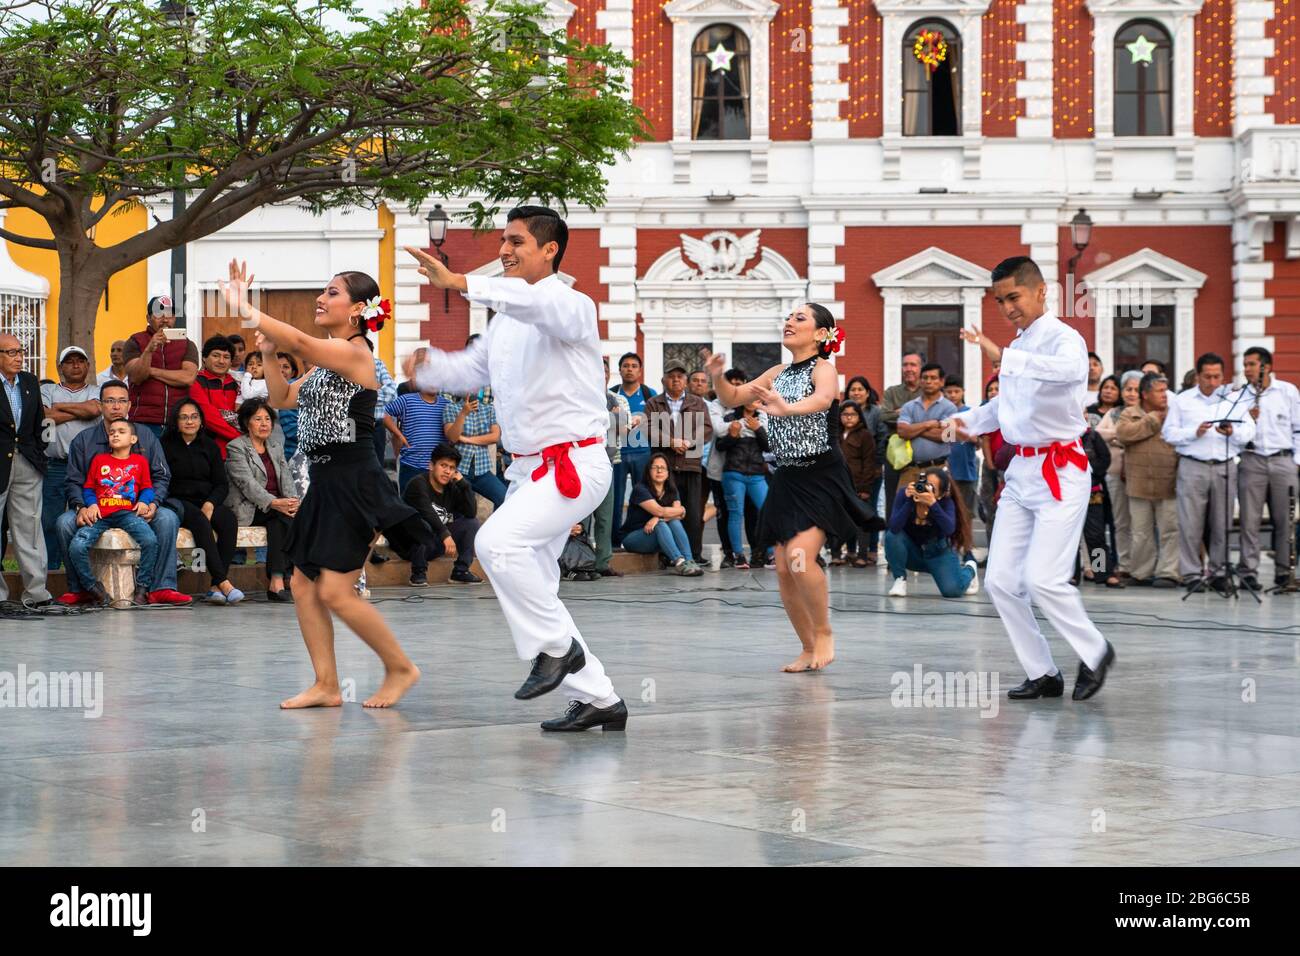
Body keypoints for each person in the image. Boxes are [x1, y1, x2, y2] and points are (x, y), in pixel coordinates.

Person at [405, 205, 627, 732]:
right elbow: (472, 368)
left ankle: (557, 649)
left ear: (550, 250)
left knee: (496, 544)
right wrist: (426, 366)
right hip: (529, 471)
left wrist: (460, 281)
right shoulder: (504, 322)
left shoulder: (573, 306)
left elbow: (536, 305)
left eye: (516, 241)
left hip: (573, 464)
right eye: (503, 240)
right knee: (538, 586)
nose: (503, 250)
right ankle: (600, 697)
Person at [221, 261, 430, 709]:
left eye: (332, 293)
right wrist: (274, 354)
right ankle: (327, 685)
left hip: (353, 477)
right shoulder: (324, 364)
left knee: (334, 589)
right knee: (302, 582)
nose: (321, 297)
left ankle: (400, 667)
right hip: (324, 480)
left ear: (357, 310)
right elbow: (280, 398)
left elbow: (300, 341)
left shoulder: (356, 355)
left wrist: (245, 308)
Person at [951, 256, 1115, 701]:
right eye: (1000, 300)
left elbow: (1068, 374)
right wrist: (964, 422)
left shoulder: (1066, 339)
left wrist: (1006, 357)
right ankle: (1043, 671)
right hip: (1021, 471)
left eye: (1013, 297)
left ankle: (1096, 651)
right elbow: (1006, 409)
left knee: (1044, 578)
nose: (1006, 308)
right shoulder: (1020, 346)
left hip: (1062, 469)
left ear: (1041, 291)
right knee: (1000, 580)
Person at [707, 304, 879, 673]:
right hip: (786, 477)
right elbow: (733, 398)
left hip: (821, 474)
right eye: (788, 317)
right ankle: (806, 647)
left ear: (821, 334)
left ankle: (824, 632)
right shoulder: (777, 372)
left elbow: (821, 399)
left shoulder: (824, 369)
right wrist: (718, 376)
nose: (789, 322)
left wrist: (786, 408)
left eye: (799, 318)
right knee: (784, 568)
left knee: (800, 558)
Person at [55, 379, 191, 606]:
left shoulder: (145, 436)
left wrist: (153, 503)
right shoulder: (84, 440)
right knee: (63, 523)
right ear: (100, 405)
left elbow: (161, 475)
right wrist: (81, 506)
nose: (116, 406)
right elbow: (73, 481)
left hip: (137, 507)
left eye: (121, 401)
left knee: (168, 518)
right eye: (109, 401)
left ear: (129, 405)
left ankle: (161, 587)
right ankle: (81, 589)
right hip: (95, 507)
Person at [1162, 352, 1255, 589]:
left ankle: (1218, 572)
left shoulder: (1233, 400)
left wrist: (1232, 432)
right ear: (1198, 375)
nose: (1212, 382)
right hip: (1193, 465)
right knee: (1190, 523)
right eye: (1207, 377)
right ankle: (1192, 574)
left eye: (1216, 376)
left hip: (1224, 465)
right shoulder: (1183, 400)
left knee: (1222, 523)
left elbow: (1249, 433)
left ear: (1222, 375)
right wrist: (1194, 432)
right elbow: (1168, 434)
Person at [67, 419, 158, 607]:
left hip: (127, 513)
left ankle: (142, 587)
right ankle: (93, 587)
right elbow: (89, 488)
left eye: (121, 431)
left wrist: (143, 501)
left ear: (133, 439)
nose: (115, 434)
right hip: (100, 514)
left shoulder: (140, 461)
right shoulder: (99, 460)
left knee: (150, 540)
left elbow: (148, 488)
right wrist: (91, 505)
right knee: (77, 546)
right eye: (111, 432)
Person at [162, 398, 244, 605]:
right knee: (199, 519)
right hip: (177, 501)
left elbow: (221, 484)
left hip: (205, 500)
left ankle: (215, 586)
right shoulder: (165, 444)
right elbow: (162, 479)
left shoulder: (210, 445)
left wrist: (210, 503)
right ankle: (224, 582)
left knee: (228, 520)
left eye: (194, 417)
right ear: (176, 421)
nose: (190, 422)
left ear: (200, 420)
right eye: (184, 417)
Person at [1236, 346, 1300, 589]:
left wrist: (1296, 461)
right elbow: (1236, 432)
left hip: (1283, 459)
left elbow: (1298, 427)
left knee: (1286, 520)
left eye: (1251, 364)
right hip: (1252, 460)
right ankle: (1248, 572)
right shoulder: (1240, 395)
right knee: (1249, 520)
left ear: (1267, 366)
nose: (1247, 370)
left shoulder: (1287, 391)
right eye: (1245, 365)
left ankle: (1285, 572)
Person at [225, 398, 298, 602]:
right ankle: (287, 578)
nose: (264, 423)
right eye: (258, 419)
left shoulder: (275, 446)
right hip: (249, 507)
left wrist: (292, 502)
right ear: (247, 422)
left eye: (267, 419)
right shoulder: (236, 447)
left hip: (276, 509)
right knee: (282, 515)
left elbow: (287, 478)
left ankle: (276, 581)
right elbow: (247, 484)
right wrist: (276, 503)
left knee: (282, 519)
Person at [0, 333, 52, 606]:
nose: (19, 357)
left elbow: (38, 426)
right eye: (11, 352)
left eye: (20, 351)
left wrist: (36, 458)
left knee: (29, 529)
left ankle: (37, 593)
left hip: (27, 464)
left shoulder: (30, 382)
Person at [643, 363, 713, 563]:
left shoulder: (698, 403)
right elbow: (648, 428)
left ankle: (694, 555)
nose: (675, 380)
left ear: (685, 381)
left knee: (693, 512)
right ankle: (668, 554)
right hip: (663, 469)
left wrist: (688, 442)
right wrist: (670, 442)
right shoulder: (654, 403)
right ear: (663, 380)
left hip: (691, 464)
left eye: (680, 377)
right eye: (671, 376)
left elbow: (706, 429)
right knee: (666, 511)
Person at [40, 346, 101, 571]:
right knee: (50, 520)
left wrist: (60, 408)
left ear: (87, 365)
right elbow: (45, 415)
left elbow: (94, 410)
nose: (75, 365)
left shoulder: (96, 390)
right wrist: (80, 411)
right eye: (69, 361)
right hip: (54, 464)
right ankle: (52, 569)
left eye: (80, 360)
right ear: (60, 367)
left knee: (87, 516)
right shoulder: (47, 390)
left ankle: (81, 568)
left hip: (88, 467)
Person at [1116, 373, 1180, 587]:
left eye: (1165, 391)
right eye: (1159, 391)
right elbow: (1124, 434)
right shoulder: (1129, 413)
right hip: (1138, 483)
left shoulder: (1174, 413)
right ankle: (1141, 572)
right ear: (1145, 394)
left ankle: (1169, 573)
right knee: (1140, 531)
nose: (1164, 396)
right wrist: (1153, 419)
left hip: (1169, 481)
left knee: (1170, 529)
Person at [885, 467, 978, 597]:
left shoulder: (946, 503)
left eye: (931, 488)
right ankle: (900, 580)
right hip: (913, 555)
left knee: (953, 591)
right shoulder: (905, 495)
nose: (925, 490)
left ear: (940, 495)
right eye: (924, 484)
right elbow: (894, 528)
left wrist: (933, 504)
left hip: (938, 555)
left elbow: (949, 529)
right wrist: (910, 501)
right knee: (891, 537)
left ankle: (970, 569)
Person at [402, 442, 482, 586]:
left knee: (472, 522)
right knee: (422, 524)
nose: (447, 471)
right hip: (411, 546)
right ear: (431, 465)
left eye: (452, 468)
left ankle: (460, 571)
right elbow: (427, 512)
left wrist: (464, 484)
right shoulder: (418, 484)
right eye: (443, 465)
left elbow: (470, 513)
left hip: (435, 543)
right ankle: (418, 572)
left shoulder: (452, 488)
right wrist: (445, 535)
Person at [122, 295, 198, 437]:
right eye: (158, 314)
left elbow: (187, 378)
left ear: (174, 318)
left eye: (169, 315)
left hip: (178, 422)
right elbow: (137, 377)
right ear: (148, 318)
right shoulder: (135, 341)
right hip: (143, 421)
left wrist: (151, 371)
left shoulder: (187, 344)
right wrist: (149, 349)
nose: (165, 320)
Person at [619, 453, 702, 575]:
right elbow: (664, 511)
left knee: (673, 522)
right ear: (648, 471)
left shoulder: (672, 490)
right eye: (655, 467)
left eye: (662, 468)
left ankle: (689, 560)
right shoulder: (640, 489)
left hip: (658, 537)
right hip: (633, 538)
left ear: (668, 472)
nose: (659, 471)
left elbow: (676, 516)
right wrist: (680, 510)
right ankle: (679, 562)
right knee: (661, 525)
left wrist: (657, 518)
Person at [1095, 370, 1142, 579]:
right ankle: (1124, 564)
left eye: (1136, 389)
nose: (1132, 393)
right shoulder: (1113, 413)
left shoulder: (1146, 413)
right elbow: (1097, 433)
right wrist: (1121, 435)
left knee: (1140, 523)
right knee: (1120, 522)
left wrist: (1117, 438)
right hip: (1114, 474)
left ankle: (1140, 565)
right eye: (1128, 389)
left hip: (1140, 474)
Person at [716, 394, 771, 569]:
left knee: (768, 511)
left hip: (757, 475)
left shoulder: (763, 420)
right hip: (734, 473)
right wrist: (732, 436)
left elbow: (768, 446)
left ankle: (770, 553)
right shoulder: (730, 418)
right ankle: (738, 555)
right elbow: (719, 446)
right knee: (735, 514)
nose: (753, 402)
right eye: (750, 398)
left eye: (757, 400)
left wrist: (758, 430)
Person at [610, 352, 656, 548]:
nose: (629, 369)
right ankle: (613, 540)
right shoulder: (611, 395)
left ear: (640, 370)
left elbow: (658, 423)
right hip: (618, 452)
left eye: (634, 366)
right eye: (626, 365)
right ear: (619, 370)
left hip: (642, 453)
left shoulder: (649, 394)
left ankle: (638, 536)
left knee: (641, 497)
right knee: (615, 499)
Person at [590, 356, 631, 577]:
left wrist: (608, 420)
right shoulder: (582, 398)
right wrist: (611, 418)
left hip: (609, 463)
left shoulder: (618, 399)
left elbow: (624, 430)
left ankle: (602, 563)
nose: (601, 375)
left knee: (606, 516)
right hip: (585, 464)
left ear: (608, 375)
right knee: (584, 516)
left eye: (605, 372)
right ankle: (584, 560)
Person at [896, 362, 957, 490]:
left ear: (941, 381)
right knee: (903, 506)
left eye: (933, 378)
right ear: (920, 381)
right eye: (925, 378)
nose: (928, 381)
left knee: (936, 507)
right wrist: (928, 425)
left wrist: (914, 428)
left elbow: (947, 435)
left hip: (938, 469)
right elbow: (902, 432)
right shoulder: (909, 406)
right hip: (910, 469)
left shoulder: (950, 408)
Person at [443, 389, 507, 510]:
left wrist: (467, 440)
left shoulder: (488, 409)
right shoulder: (451, 408)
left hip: (482, 471)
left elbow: (495, 436)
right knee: (463, 511)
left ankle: (494, 528)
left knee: (505, 499)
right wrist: (463, 413)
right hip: (459, 471)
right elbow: (452, 437)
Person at [835, 399, 881, 567]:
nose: (848, 418)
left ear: (859, 417)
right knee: (839, 519)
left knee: (862, 521)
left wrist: (865, 488)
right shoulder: (835, 434)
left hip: (858, 485)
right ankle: (837, 554)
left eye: (852, 414)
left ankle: (862, 555)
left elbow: (869, 463)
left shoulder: (865, 435)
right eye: (845, 414)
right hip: (839, 484)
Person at [383, 380, 447, 494]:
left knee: (437, 508)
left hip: (438, 468)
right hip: (411, 465)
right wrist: (399, 434)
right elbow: (383, 413)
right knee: (409, 506)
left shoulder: (447, 405)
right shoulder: (406, 400)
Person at [880, 352, 922, 520]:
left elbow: (940, 423)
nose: (908, 369)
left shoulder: (928, 392)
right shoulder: (892, 392)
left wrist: (899, 412)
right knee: (893, 498)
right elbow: (885, 417)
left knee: (919, 497)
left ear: (920, 368)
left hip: (921, 454)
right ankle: (892, 537)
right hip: (895, 455)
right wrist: (914, 415)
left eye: (913, 365)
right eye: (905, 365)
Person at [189, 335, 242, 456]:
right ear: (204, 358)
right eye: (216, 355)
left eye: (226, 357)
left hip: (239, 453)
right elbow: (209, 417)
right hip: (208, 451)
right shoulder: (196, 382)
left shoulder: (237, 384)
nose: (221, 361)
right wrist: (242, 438)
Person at [943, 375, 979, 524]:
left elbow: (977, 440)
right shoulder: (945, 413)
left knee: (966, 512)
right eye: (949, 392)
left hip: (967, 470)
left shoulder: (970, 413)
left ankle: (967, 545)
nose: (952, 395)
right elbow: (946, 439)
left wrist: (956, 428)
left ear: (963, 392)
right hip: (949, 469)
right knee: (950, 511)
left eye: (956, 391)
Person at [276, 352, 302, 460]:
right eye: (277, 367)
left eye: (286, 367)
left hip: (291, 455)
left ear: (293, 372)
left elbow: (292, 430)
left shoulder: (294, 390)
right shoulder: (258, 389)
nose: (281, 370)